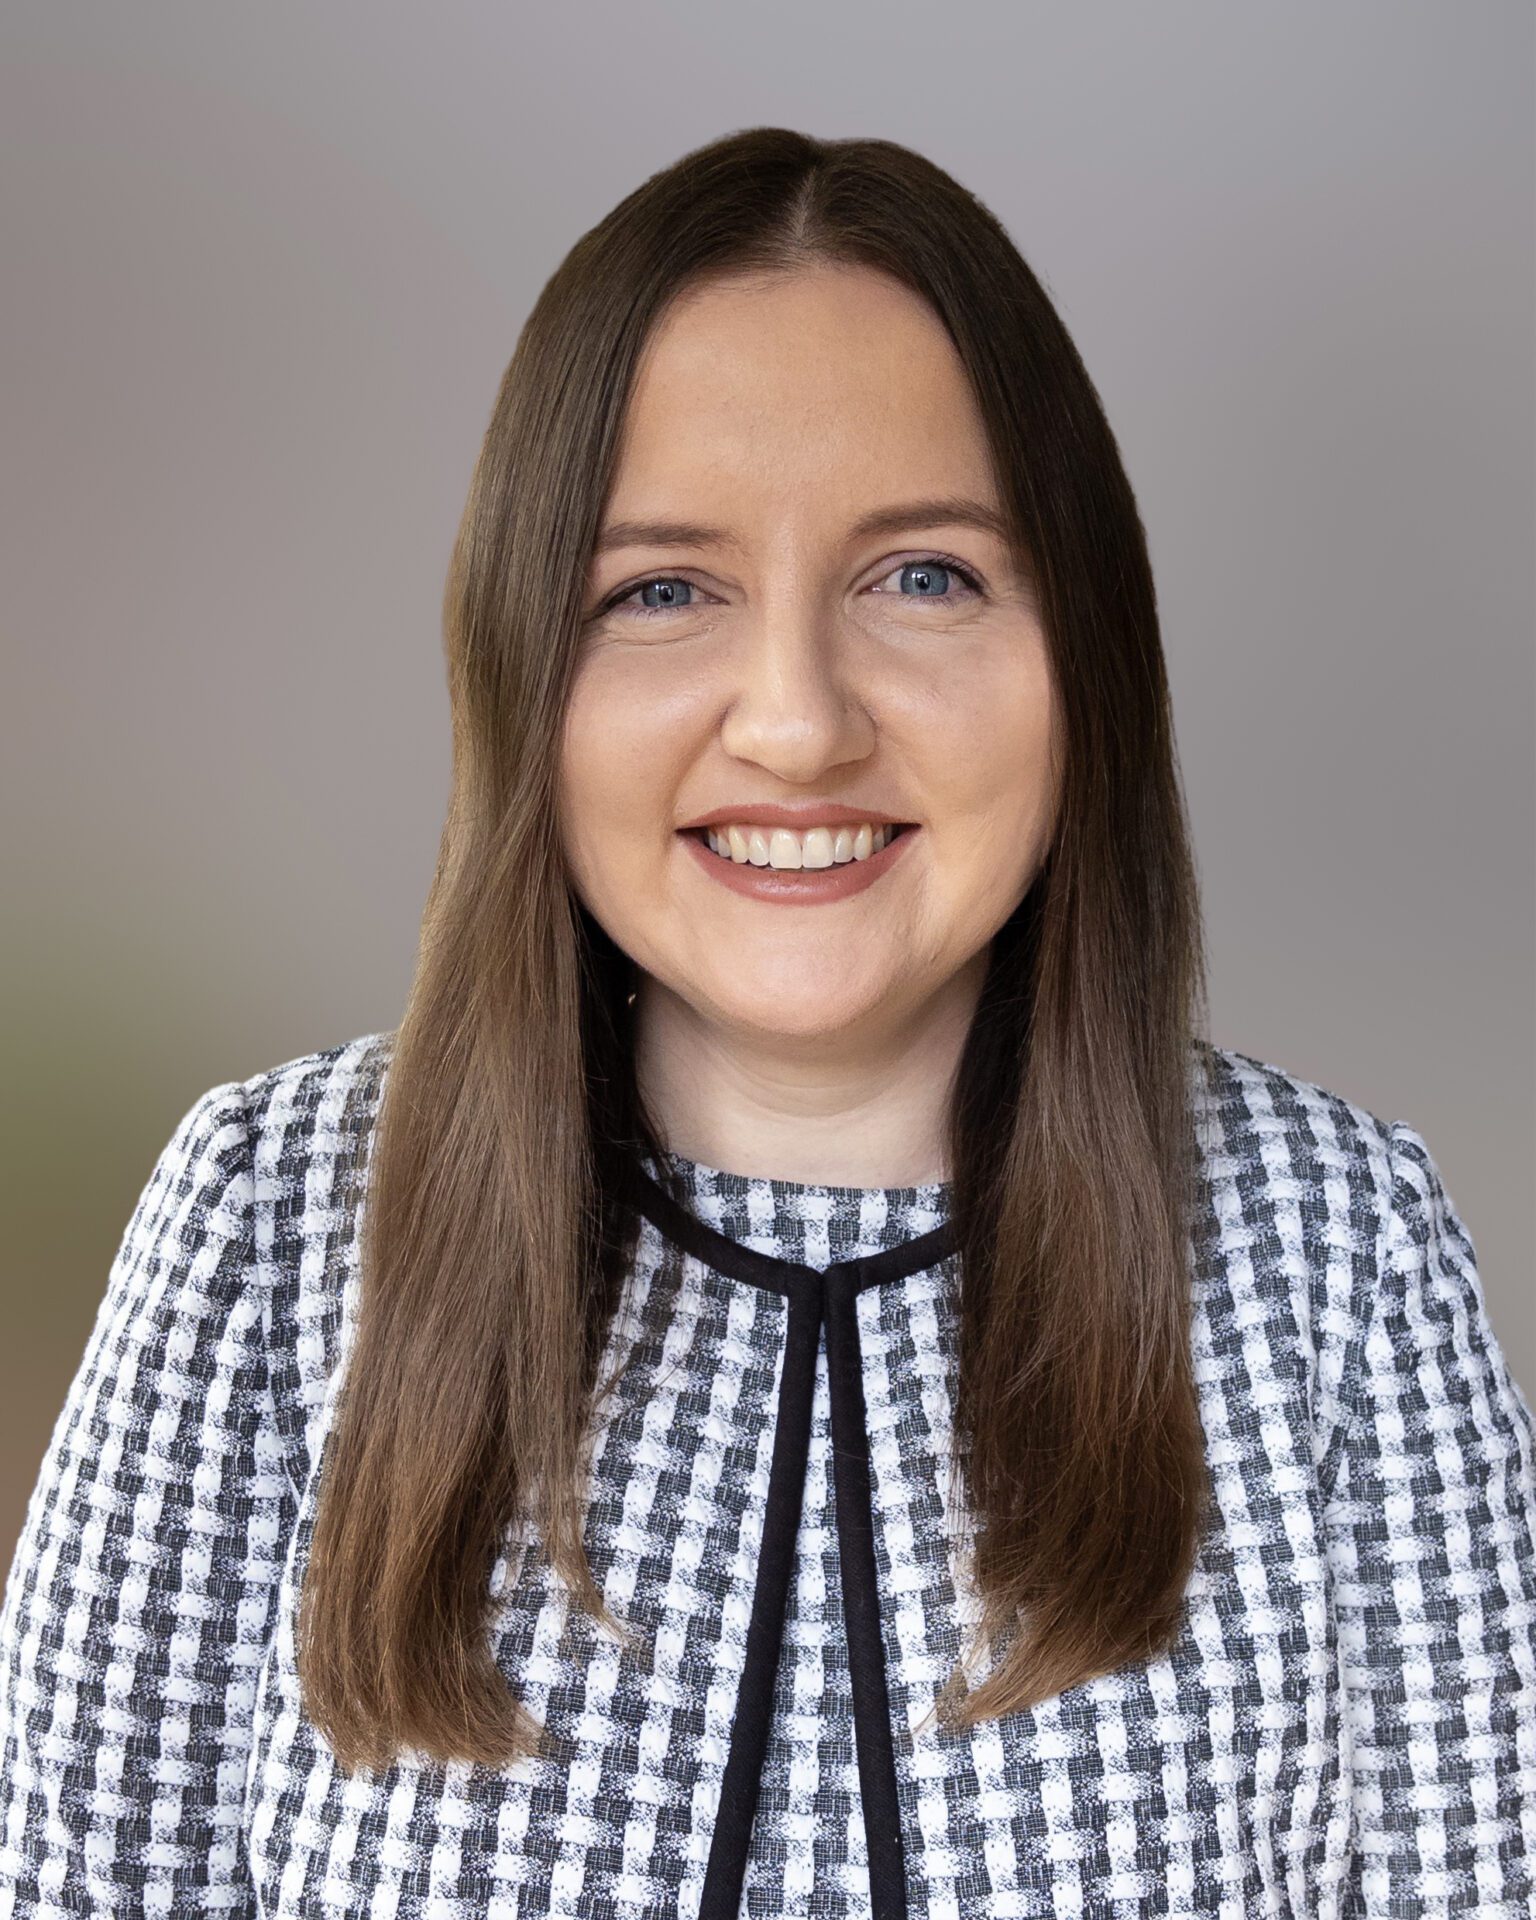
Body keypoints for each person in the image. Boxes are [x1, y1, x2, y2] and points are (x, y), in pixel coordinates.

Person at [1, 125, 1532, 1920]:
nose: (798, 723)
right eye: (661, 590)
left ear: (1087, 654)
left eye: (925, 576)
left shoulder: (1342, 1258)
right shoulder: (267, 1225)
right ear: (522, 671)